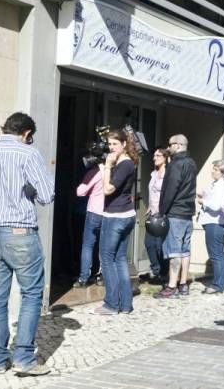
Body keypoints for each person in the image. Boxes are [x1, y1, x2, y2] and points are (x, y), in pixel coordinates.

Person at [0, 112, 54, 375]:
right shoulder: (27, 154)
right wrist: (28, 190)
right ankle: (24, 358)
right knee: (31, 294)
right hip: (19, 232)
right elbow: (46, 194)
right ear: (27, 134)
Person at [91, 129, 138, 316]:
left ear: (124, 144)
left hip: (116, 216)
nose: (111, 148)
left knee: (107, 259)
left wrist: (107, 167)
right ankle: (125, 304)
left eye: (115, 144)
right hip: (125, 215)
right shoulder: (127, 162)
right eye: (109, 144)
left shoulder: (124, 164)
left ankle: (111, 304)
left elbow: (108, 189)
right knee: (119, 260)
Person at [154, 134, 197, 299]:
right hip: (187, 213)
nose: (168, 147)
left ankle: (171, 286)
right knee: (185, 250)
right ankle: (183, 284)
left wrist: (162, 211)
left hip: (175, 213)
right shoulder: (191, 163)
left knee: (174, 251)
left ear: (178, 145)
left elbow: (170, 189)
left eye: (170, 145)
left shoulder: (176, 164)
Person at [198, 160, 224, 294]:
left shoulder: (222, 186)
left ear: (223, 173)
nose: (213, 171)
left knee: (216, 254)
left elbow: (217, 205)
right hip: (213, 222)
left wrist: (203, 201)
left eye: (216, 169)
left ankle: (218, 285)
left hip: (216, 222)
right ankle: (218, 283)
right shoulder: (216, 184)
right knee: (217, 254)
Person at [74, 164, 104, 288]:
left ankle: (83, 278)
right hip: (108, 213)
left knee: (88, 246)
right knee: (104, 247)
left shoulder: (95, 172)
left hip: (94, 212)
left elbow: (80, 192)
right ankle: (101, 276)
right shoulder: (114, 171)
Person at [143, 147, 170, 285]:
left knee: (160, 246)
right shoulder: (153, 174)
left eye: (158, 155)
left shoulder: (168, 174)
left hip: (162, 214)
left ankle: (163, 273)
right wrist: (149, 205)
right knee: (148, 243)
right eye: (154, 155)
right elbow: (153, 192)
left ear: (165, 158)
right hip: (152, 214)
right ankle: (156, 269)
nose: (155, 158)